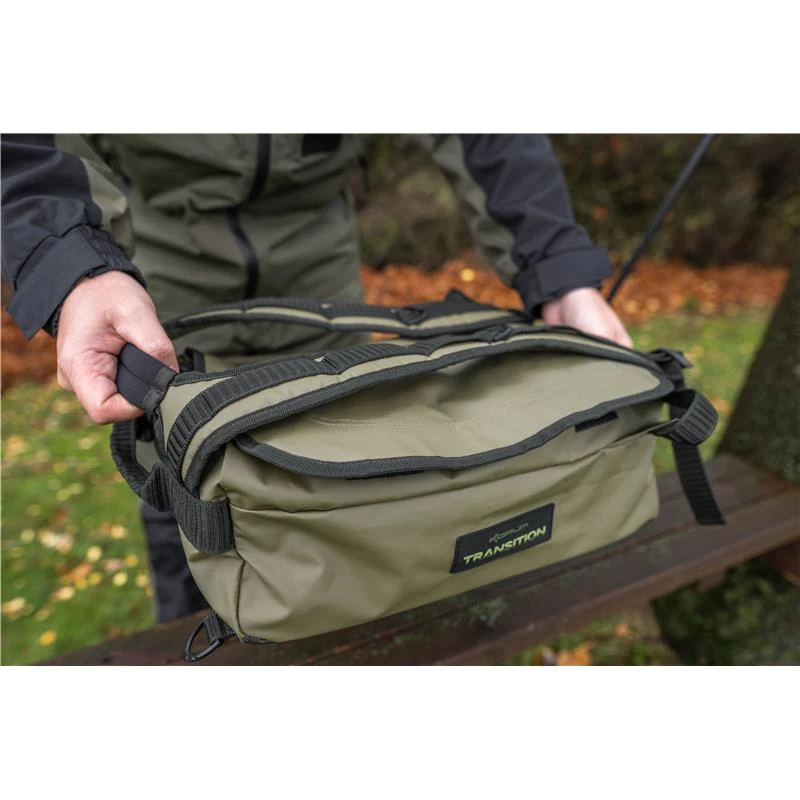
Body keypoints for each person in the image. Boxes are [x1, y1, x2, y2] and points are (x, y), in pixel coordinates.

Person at [1, 133, 632, 623]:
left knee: (363, 486)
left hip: (320, 269)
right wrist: (76, 267)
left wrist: (558, 273)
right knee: (184, 492)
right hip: (154, 275)